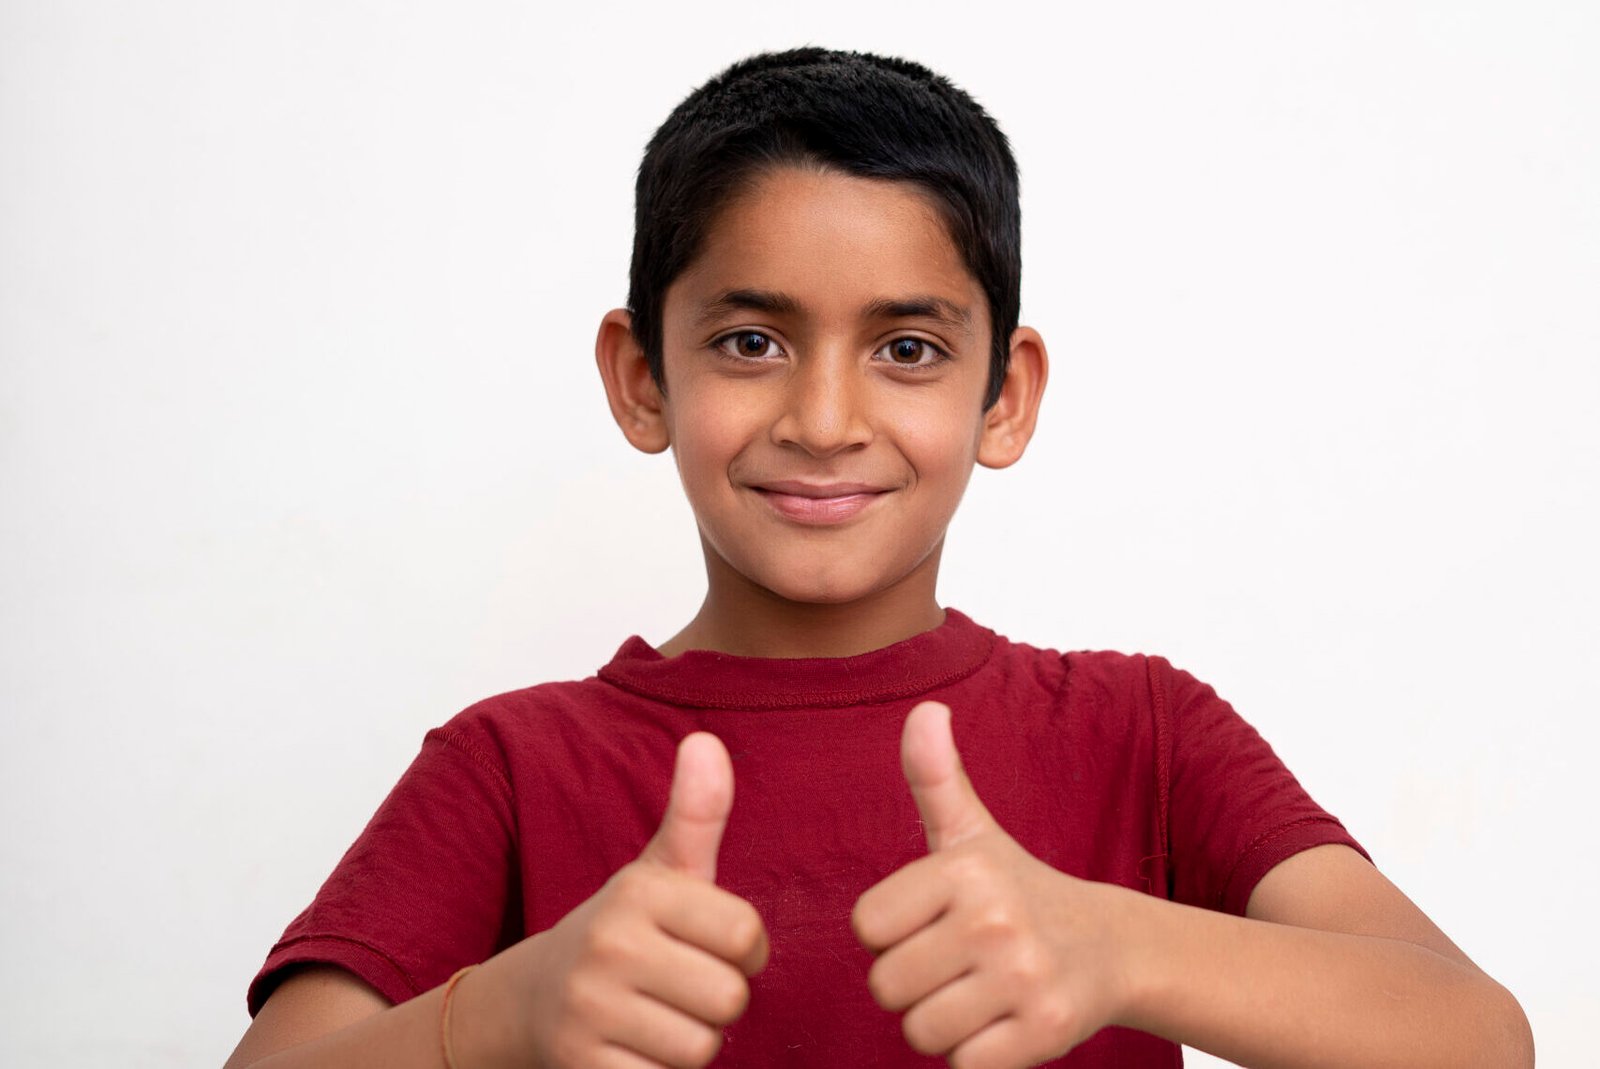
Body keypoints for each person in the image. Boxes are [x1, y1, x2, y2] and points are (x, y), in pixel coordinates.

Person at [223, 47, 1532, 1069]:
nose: (825, 420)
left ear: (1005, 395)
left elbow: (1477, 1036)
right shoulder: (507, 766)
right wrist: (501, 1016)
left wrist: (1122, 944)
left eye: (907, 347)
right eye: (751, 340)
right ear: (640, 377)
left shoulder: (1145, 732)